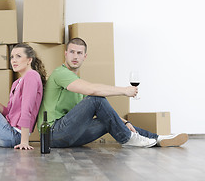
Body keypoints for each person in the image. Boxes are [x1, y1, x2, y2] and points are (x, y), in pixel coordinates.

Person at [38, 37, 188, 148]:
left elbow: (106, 113)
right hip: (52, 134)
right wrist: (124, 91)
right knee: (96, 99)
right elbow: (93, 91)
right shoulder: (60, 74)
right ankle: (128, 138)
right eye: (71, 52)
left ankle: (158, 138)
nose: (75, 56)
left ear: (85, 56)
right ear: (65, 54)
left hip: (70, 136)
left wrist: (126, 122)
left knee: (108, 119)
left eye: (79, 53)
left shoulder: (77, 81)